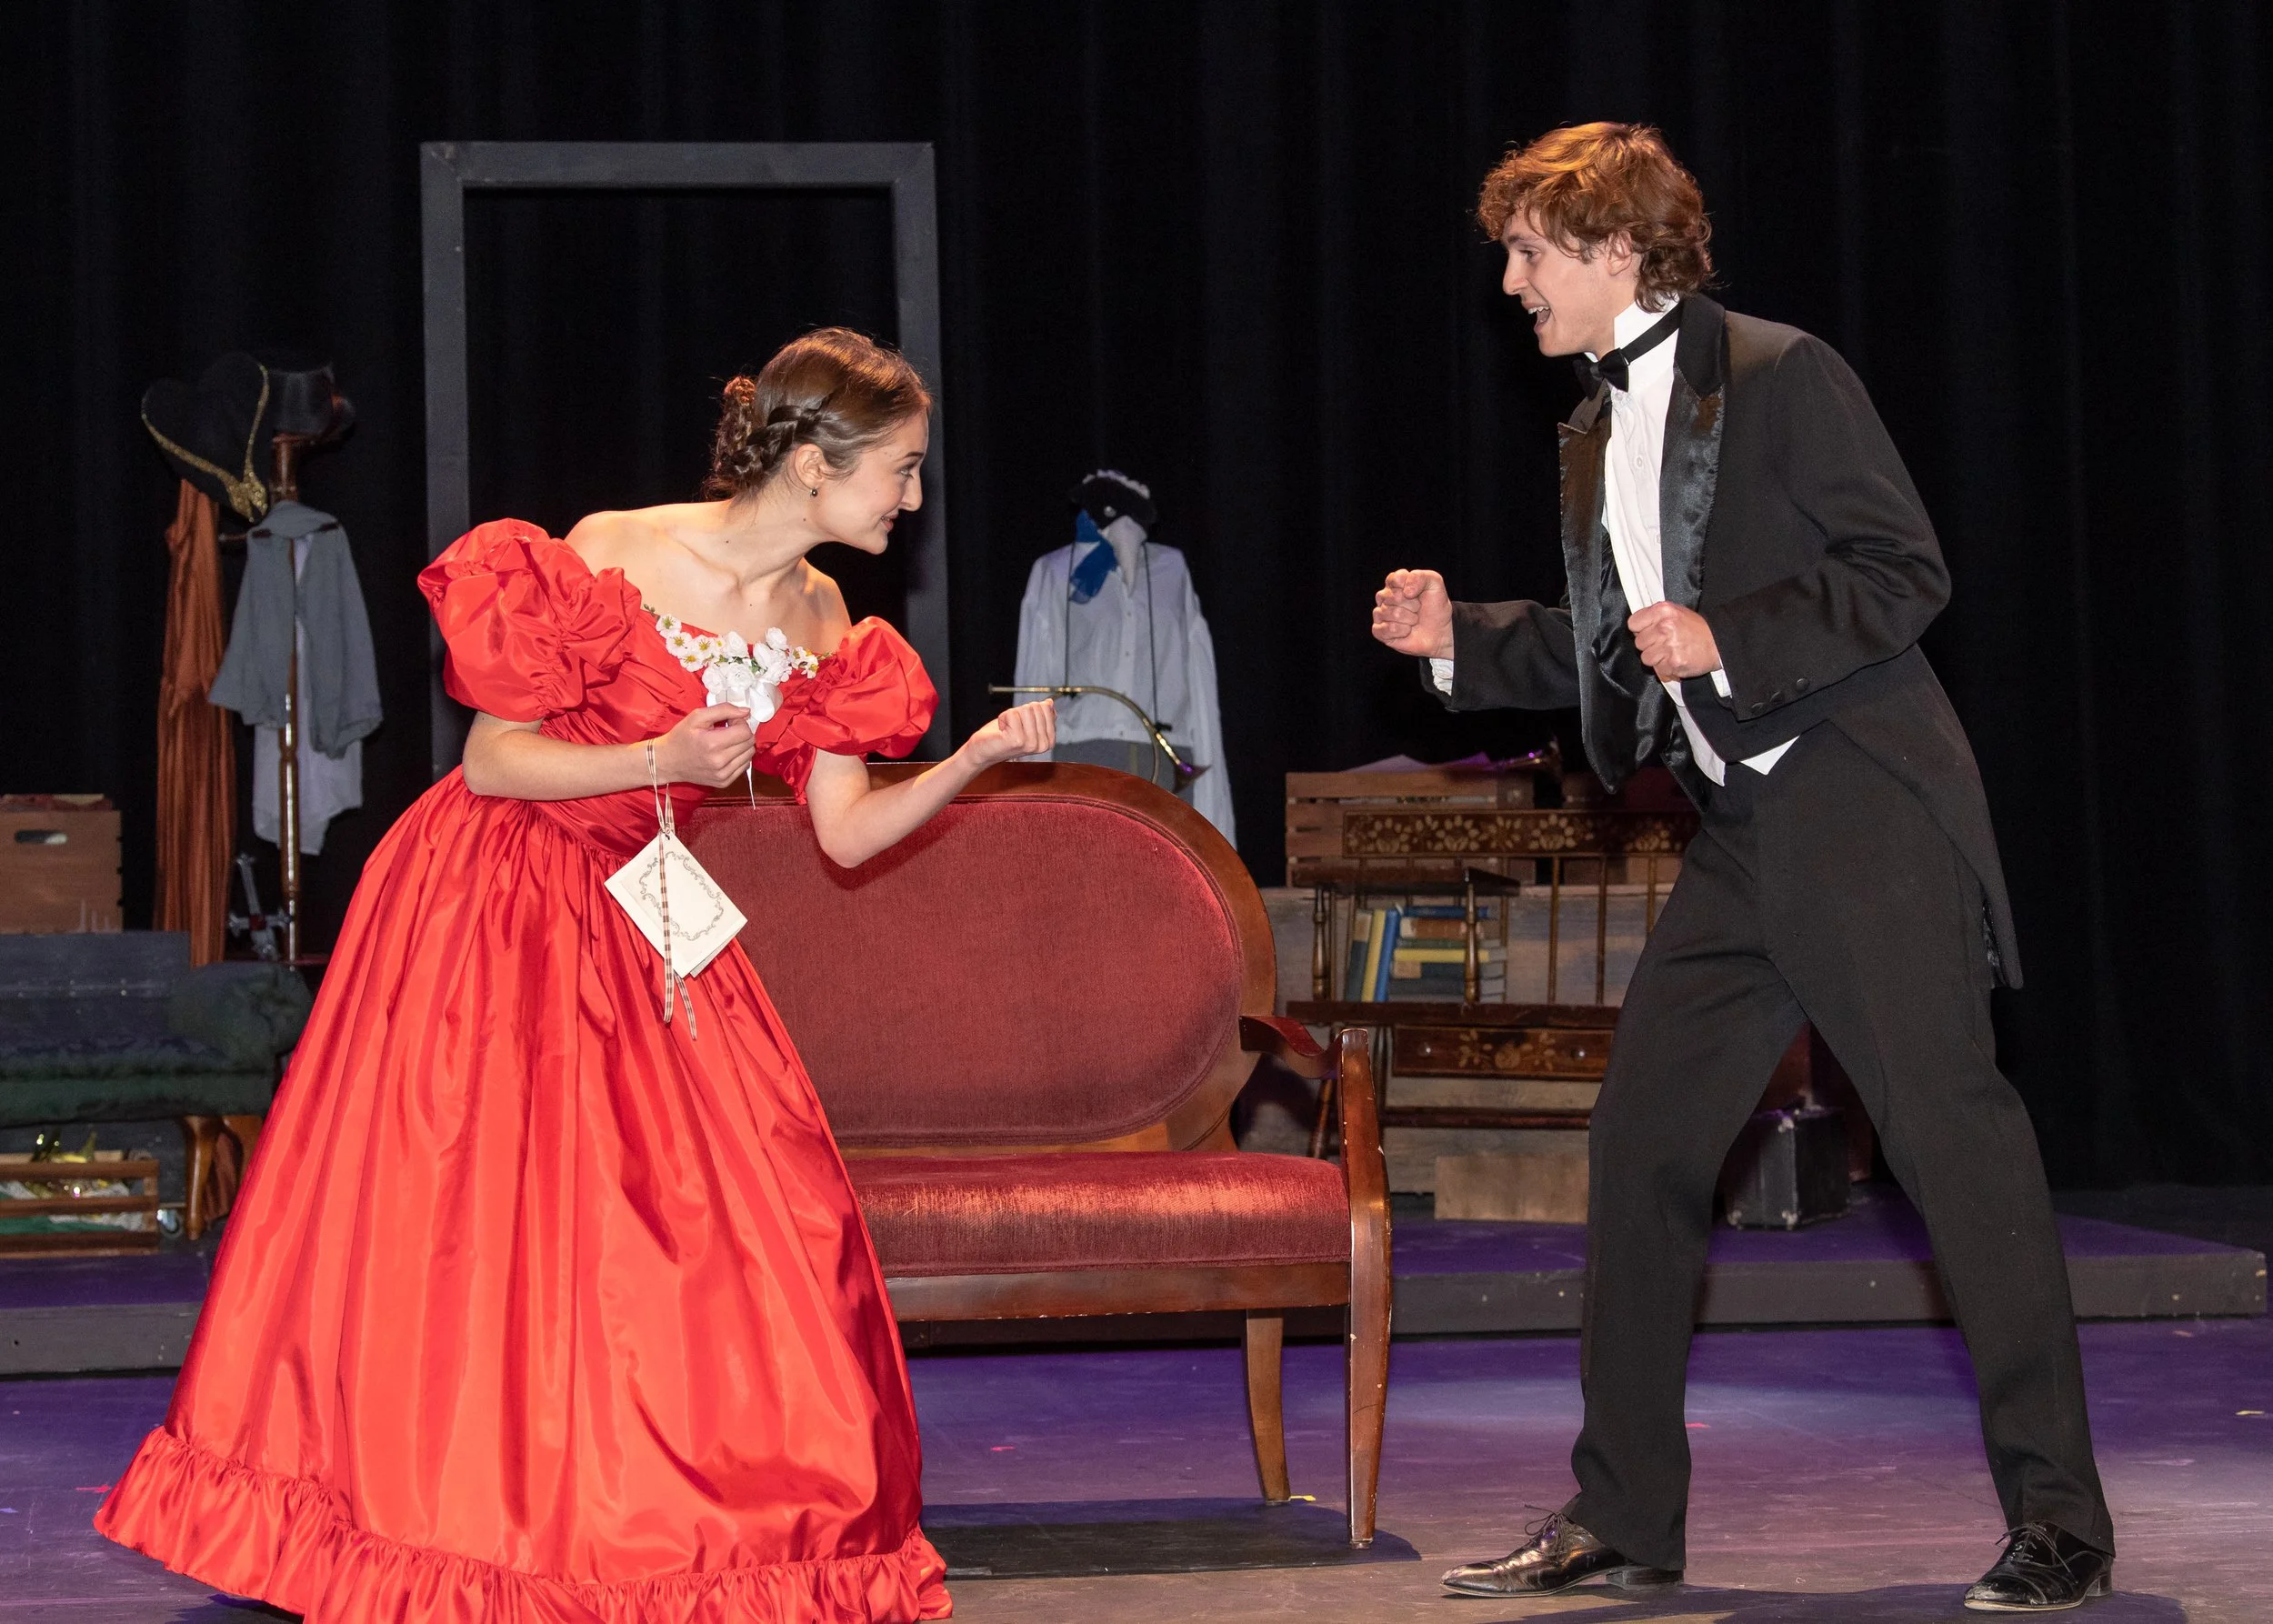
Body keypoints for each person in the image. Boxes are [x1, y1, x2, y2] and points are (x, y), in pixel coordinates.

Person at [97, 327, 1055, 1624]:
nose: (915, 498)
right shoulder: (616, 550)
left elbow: (845, 832)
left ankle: (675, 1531)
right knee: (486, 1231)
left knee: (753, 1222)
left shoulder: (826, 616)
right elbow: (494, 763)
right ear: (819, 465)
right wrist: (661, 755)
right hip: (492, 893)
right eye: (901, 468)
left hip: (646, 917)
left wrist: (974, 758)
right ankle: (455, 1529)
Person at [1372, 125, 2113, 1614]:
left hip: (1860, 811)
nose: (1510, 283)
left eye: (1529, 253)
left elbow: (1906, 571)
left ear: (1614, 251)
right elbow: (1613, 646)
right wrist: (1461, 635)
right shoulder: (1589, 427)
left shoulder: (1781, 373)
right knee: (1644, 1149)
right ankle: (1624, 1513)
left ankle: (2063, 1522)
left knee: (1957, 1154)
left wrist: (1736, 636)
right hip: (1738, 835)